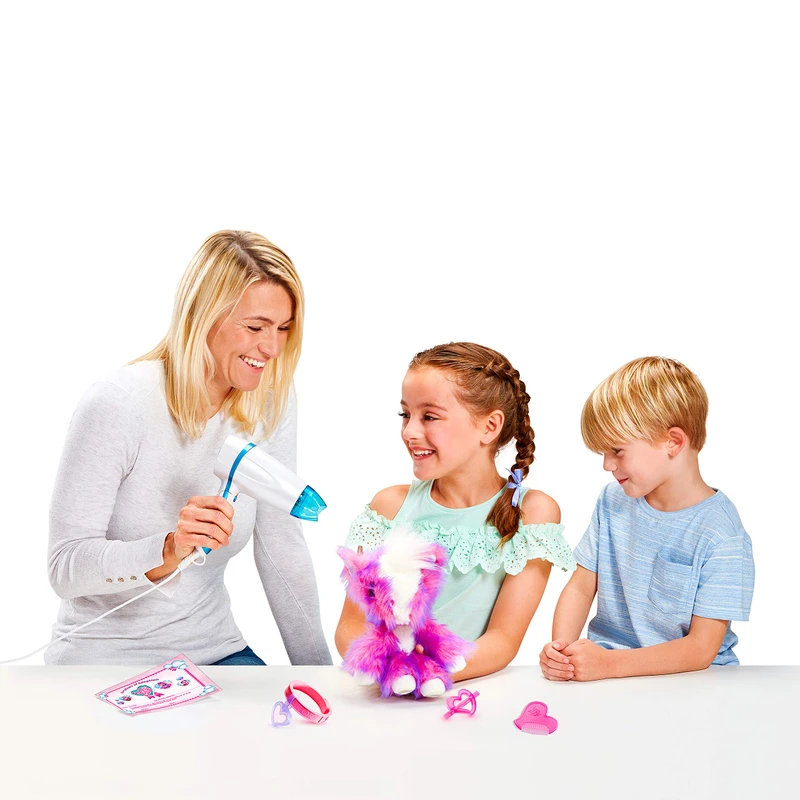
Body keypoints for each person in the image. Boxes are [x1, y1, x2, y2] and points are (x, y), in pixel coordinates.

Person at [46, 230, 332, 667]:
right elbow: (64, 568)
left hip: (214, 649)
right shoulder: (119, 403)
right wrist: (169, 549)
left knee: (289, 714)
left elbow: (281, 547)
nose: (272, 348)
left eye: (283, 328)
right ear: (204, 315)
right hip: (104, 656)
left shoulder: (270, 399)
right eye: (255, 327)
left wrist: (322, 677)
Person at [335, 342, 575, 682]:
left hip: (465, 694)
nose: (410, 432)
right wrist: (388, 666)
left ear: (489, 427)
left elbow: (503, 639)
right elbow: (350, 624)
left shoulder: (532, 514)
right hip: (388, 691)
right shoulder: (388, 508)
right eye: (405, 415)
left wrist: (428, 672)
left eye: (429, 417)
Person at [539, 356, 755, 681]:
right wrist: (562, 652)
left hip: (695, 682)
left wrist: (609, 665)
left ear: (673, 442)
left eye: (617, 450)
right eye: (603, 453)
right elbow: (581, 587)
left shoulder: (721, 533)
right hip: (609, 675)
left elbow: (701, 649)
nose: (607, 465)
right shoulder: (612, 502)